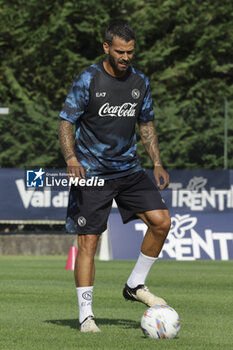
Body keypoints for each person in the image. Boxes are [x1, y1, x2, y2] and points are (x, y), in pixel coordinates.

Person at [58, 20, 171, 333]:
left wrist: (157, 162)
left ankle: (135, 285)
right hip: (92, 172)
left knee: (162, 222)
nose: (126, 57)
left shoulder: (140, 81)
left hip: (129, 170)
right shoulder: (89, 79)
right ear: (106, 48)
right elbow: (66, 122)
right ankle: (86, 316)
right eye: (120, 51)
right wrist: (71, 158)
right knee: (89, 242)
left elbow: (145, 124)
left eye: (130, 51)